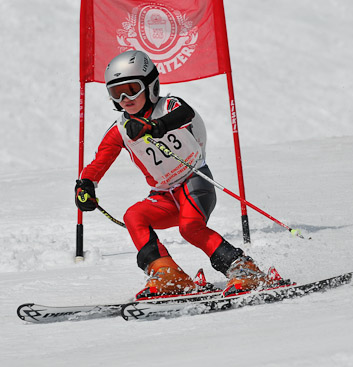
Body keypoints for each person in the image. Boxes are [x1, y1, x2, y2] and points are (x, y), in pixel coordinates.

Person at [75, 50, 269, 299]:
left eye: (132, 88)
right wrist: (86, 184)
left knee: (190, 228)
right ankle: (167, 273)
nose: (124, 98)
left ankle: (244, 268)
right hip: (164, 195)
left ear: (151, 85)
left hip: (195, 181)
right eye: (116, 92)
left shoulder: (169, 106)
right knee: (134, 216)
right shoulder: (121, 130)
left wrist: (156, 126)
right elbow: (100, 159)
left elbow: (185, 114)